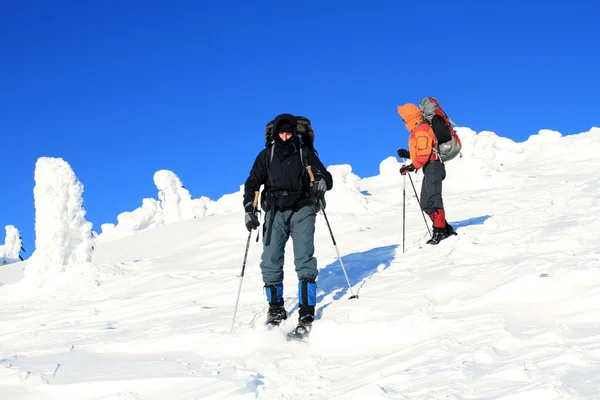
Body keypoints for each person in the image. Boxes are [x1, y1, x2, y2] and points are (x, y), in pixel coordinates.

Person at [243, 113, 333, 334]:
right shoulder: (266, 156)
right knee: (271, 259)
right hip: (274, 212)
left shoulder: (305, 153)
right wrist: (249, 208)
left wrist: (321, 182)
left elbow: (325, 176)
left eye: (289, 132)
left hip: (302, 207)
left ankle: (306, 309)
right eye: (282, 132)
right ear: (275, 134)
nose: (286, 136)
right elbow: (253, 183)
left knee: (304, 258)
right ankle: (275, 308)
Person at [396, 103, 456, 245]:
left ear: (409, 117)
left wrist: (411, 167)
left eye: (404, 118)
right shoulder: (418, 130)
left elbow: (425, 153)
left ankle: (440, 231)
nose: (403, 122)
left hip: (434, 166)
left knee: (434, 198)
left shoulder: (422, 129)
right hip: (429, 167)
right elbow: (423, 151)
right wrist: (408, 154)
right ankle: (444, 228)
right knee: (425, 202)